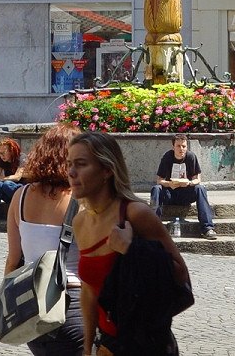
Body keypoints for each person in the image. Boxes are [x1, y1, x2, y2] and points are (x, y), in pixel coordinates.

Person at [68, 131, 189, 356]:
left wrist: (131, 249)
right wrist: (86, 348)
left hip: (147, 343)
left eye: (81, 164)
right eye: (69, 164)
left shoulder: (135, 214)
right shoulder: (80, 222)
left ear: (107, 170)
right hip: (108, 345)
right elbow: (89, 291)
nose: (71, 172)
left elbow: (181, 275)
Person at [4, 124, 84, 355]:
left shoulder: (20, 197)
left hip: (34, 312)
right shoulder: (80, 200)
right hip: (74, 306)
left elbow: (12, 261)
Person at [150, 133, 217, 239]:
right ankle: (153, 227)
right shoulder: (167, 157)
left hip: (186, 194)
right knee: (156, 189)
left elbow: (198, 180)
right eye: (178, 146)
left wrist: (189, 183)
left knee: (201, 189)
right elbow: (159, 180)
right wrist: (169, 184)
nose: (181, 149)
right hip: (170, 193)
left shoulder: (191, 157)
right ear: (173, 147)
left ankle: (207, 228)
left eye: (184, 146)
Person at [0, 137, 26, 219]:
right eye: (0, 153)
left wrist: (1, 179)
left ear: (11, 151)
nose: (2, 156)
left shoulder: (21, 157)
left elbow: (17, 177)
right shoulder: (2, 160)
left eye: (4, 153)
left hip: (20, 191)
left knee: (6, 184)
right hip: (8, 192)